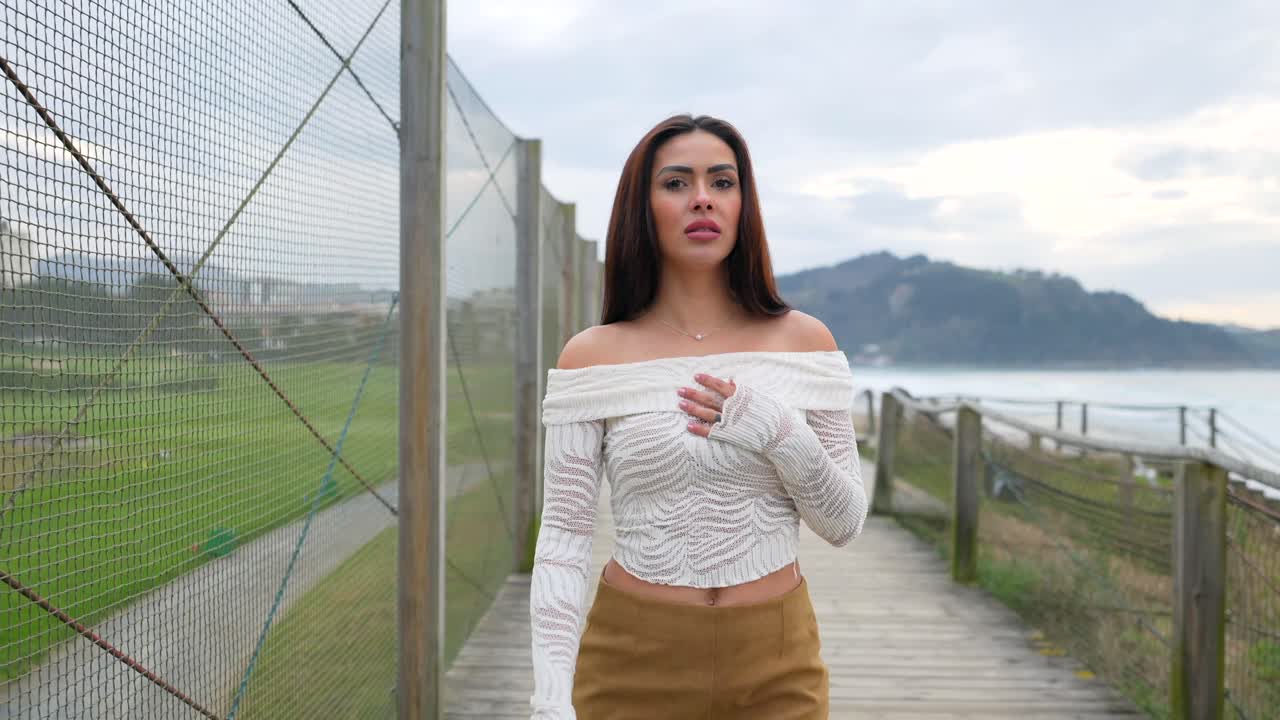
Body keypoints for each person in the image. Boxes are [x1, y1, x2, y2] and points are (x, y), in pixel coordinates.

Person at [529, 113, 868, 720]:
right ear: (643, 204)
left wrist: (777, 431)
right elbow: (563, 538)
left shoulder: (807, 343)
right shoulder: (592, 356)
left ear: (744, 203)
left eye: (723, 181)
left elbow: (844, 522)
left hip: (778, 659)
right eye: (677, 183)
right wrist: (551, 696)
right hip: (633, 658)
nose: (703, 199)